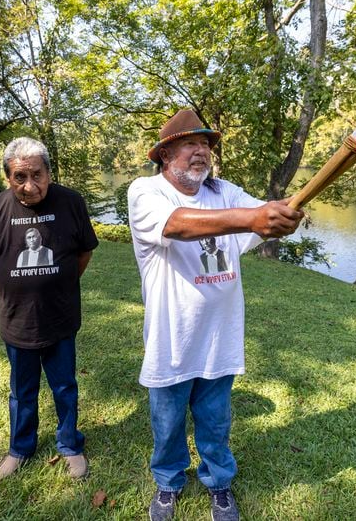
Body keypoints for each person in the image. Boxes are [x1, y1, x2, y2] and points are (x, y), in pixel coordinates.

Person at [127, 109, 304, 521]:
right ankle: (168, 483)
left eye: (205, 144)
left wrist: (281, 218)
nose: (201, 151)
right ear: (165, 154)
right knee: (168, 423)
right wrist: (255, 219)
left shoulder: (224, 191)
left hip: (219, 337)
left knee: (215, 421)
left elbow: (265, 215)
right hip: (172, 337)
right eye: (190, 143)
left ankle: (218, 484)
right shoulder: (146, 191)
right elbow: (177, 226)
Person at [0, 136, 99, 482]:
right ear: (8, 178)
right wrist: (16, 288)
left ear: (49, 172)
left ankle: (70, 445)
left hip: (60, 317)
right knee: (22, 391)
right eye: (19, 178)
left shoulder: (70, 202)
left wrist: (58, 283)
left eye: (37, 175)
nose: (30, 186)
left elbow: (83, 253)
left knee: (64, 387)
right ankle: (19, 449)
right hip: (17, 321)